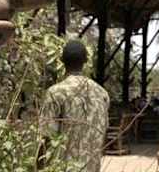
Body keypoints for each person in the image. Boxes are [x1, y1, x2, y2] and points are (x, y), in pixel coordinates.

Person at [40, 40, 109, 171]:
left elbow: (47, 137)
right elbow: (103, 133)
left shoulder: (55, 92)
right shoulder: (102, 93)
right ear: (85, 61)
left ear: (62, 61)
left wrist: (38, 167)